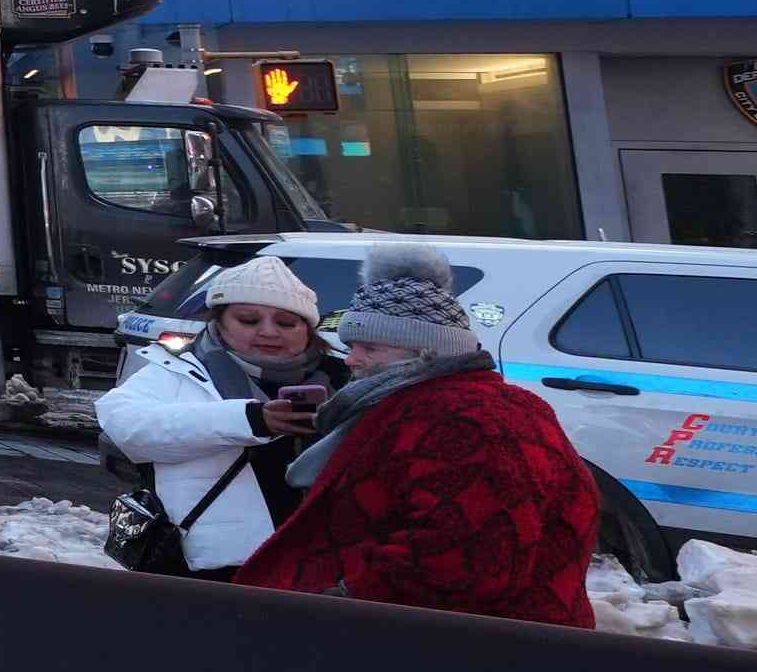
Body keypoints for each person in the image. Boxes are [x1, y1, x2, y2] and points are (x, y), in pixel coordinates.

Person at [229, 240, 595, 624]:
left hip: (466, 643)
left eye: (370, 348)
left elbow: (460, 560)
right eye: (351, 345)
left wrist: (342, 599)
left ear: (426, 352)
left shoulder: (464, 419)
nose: (351, 360)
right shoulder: (429, 404)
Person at [99, 249, 333, 576]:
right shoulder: (176, 371)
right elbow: (127, 427)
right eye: (248, 320)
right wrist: (251, 420)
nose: (269, 332)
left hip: (319, 562)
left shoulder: (341, 379)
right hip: (213, 565)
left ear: (308, 329)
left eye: (286, 322)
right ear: (219, 322)